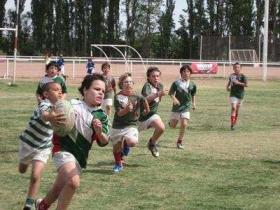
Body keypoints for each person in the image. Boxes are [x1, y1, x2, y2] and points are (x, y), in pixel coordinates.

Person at [35, 74, 109, 210]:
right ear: (85, 90)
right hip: (62, 149)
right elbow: (50, 113)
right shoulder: (71, 105)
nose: (101, 93)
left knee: (58, 189)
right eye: (97, 89)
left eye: (103, 91)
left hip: (79, 158)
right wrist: (52, 117)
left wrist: (99, 132)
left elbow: (104, 142)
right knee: (73, 182)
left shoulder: (101, 115)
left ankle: (42, 205)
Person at [19, 82, 64, 210]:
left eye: (60, 90)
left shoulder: (62, 108)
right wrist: (51, 117)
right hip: (28, 143)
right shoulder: (44, 104)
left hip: (43, 147)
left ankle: (29, 203)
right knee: (22, 169)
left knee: (36, 175)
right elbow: (45, 116)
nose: (59, 92)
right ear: (46, 94)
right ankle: (24, 162)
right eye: (55, 90)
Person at [110, 73, 149, 173]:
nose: (129, 83)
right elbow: (119, 113)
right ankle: (118, 164)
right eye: (126, 82)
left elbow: (144, 100)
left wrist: (147, 109)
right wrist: (127, 110)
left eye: (131, 82)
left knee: (132, 141)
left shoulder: (137, 95)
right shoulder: (117, 97)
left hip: (131, 124)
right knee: (116, 148)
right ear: (121, 84)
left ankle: (127, 144)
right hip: (118, 125)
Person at [138, 67, 166, 157]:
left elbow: (159, 100)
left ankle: (152, 143)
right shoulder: (147, 86)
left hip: (152, 115)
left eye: (157, 76)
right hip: (140, 118)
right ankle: (121, 156)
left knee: (161, 128)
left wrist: (159, 94)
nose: (156, 78)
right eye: (153, 76)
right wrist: (158, 94)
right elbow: (146, 100)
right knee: (130, 141)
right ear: (148, 77)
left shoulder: (160, 86)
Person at [168, 64, 197, 149]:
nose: (186, 73)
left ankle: (179, 141)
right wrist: (174, 99)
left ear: (190, 73)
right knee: (173, 125)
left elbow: (193, 94)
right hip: (176, 108)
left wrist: (194, 103)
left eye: (188, 71)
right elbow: (171, 93)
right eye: (184, 71)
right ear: (181, 73)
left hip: (186, 107)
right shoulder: (176, 83)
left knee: (184, 124)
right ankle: (170, 123)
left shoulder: (192, 84)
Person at [226, 62, 248, 130]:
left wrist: (238, 83)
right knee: (233, 108)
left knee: (237, 110)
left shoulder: (243, 76)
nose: (236, 68)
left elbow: (246, 85)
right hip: (233, 94)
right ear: (233, 68)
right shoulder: (231, 75)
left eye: (238, 67)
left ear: (240, 68)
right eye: (235, 67)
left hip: (240, 95)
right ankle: (232, 125)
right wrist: (227, 87)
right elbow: (229, 83)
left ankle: (234, 121)